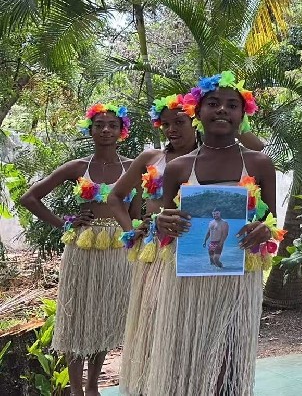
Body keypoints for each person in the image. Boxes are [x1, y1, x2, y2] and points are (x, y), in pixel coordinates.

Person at [111, 93, 263, 396]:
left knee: (216, 334)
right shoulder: (155, 159)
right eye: (165, 124)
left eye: (179, 121)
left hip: (216, 257)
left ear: (193, 118)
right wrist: (135, 228)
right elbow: (118, 197)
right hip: (162, 251)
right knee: (161, 325)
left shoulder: (222, 157)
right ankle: (154, 384)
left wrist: (225, 112)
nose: (172, 129)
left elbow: (257, 149)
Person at [145, 71, 282, 396]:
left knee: (231, 356)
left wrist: (265, 229)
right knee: (189, 352)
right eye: (214, 103)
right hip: (189, 278)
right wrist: (162, 224)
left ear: (243, 114)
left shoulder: (260, 164)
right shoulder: (179, 168)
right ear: (197, 110)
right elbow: (165, 230)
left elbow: (275, 225)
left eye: (232, 104)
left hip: (238, 276)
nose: (222, 110)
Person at [19, 103, 140, 396]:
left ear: (122, 130)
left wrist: (137, 234)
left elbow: (136, 214)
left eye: (112, 125)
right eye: (99, 125)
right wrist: (63, 223)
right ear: (91, 130)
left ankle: (93, 386)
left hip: (116, 249)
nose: (106, 130)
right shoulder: (78, 167)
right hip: (83, 247)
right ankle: (75, 389)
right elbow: (30, 198)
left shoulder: (133, 167)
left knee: (105, 316)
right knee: (77, 317)